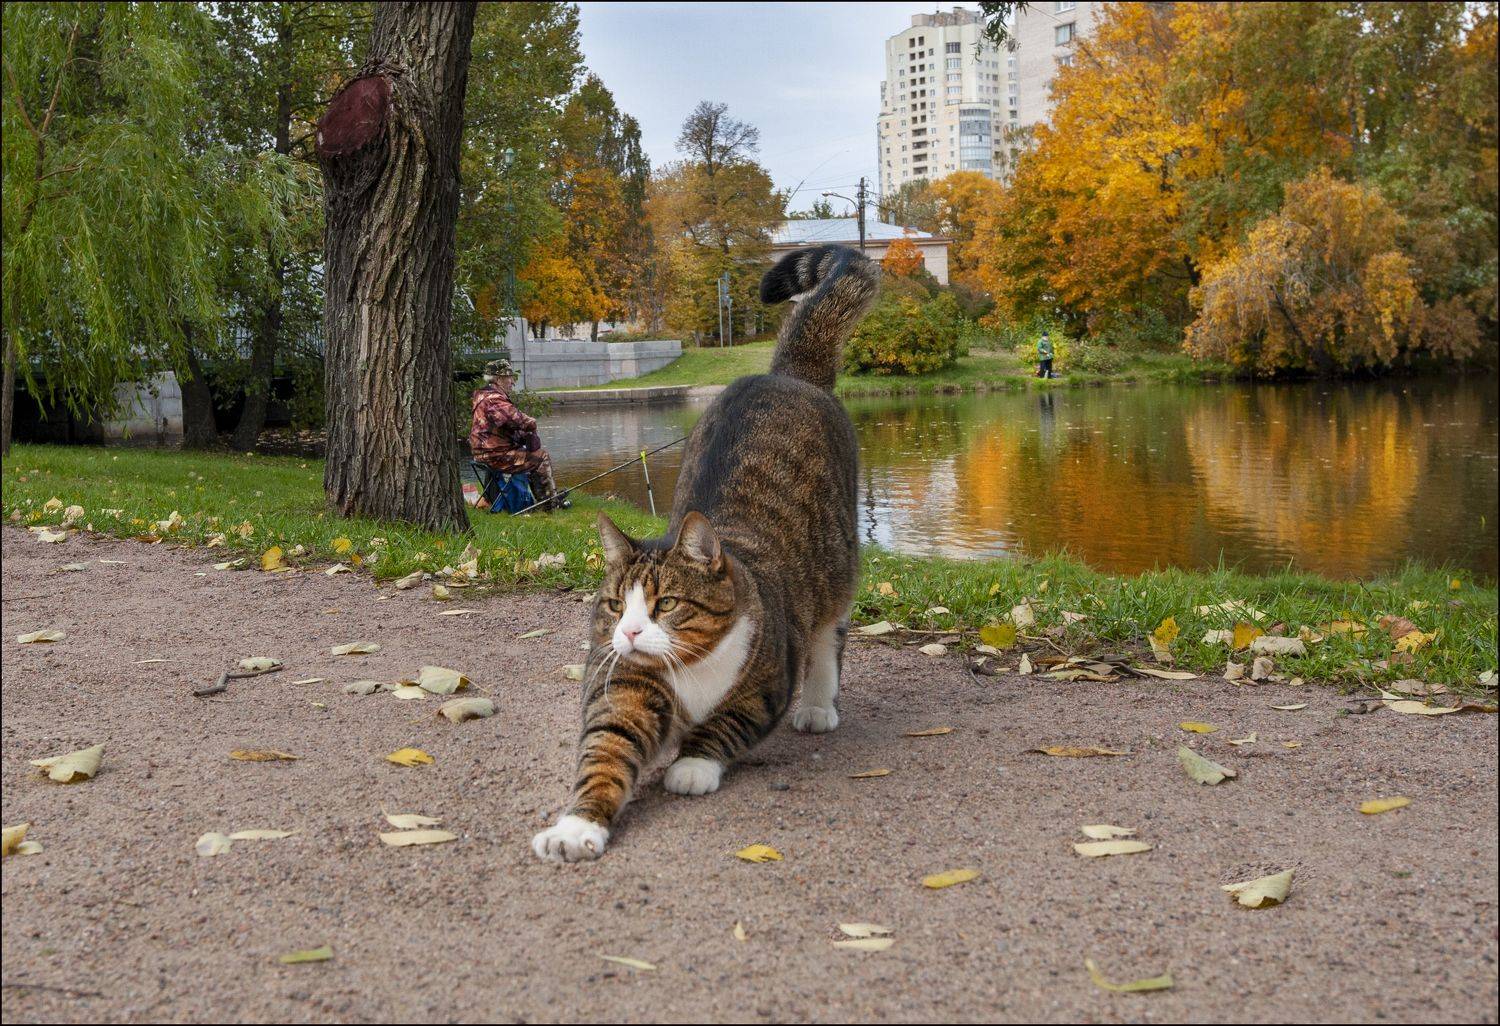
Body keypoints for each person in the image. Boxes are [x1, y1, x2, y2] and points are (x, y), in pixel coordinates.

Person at [469, 359, 567, 511]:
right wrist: (531, 422)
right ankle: (549, 504)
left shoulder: (482, 396)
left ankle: (545, 499)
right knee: (540, 457)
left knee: (528, 454)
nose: (512, 382)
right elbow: (518, 420)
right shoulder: (493, 399)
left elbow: (506, 424)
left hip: (486, 452)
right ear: (498, 379)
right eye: (509, 378)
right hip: (495, 455)